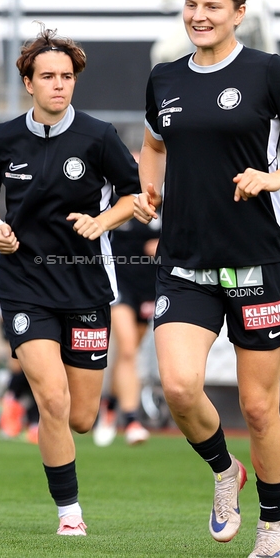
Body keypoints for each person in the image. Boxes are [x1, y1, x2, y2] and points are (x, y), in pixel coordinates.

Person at [134, 0, 280, 558]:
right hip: (185, 260)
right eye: (191, 4)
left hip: (255, 261)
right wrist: (148, 192)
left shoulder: (267, 71)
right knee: (177, 385)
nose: (199, 15)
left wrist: (273, 179)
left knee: (257, 406)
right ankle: (226, 471)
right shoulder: (164, 79)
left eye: (212, 6)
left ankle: (272, 524)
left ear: (239, 12)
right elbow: (152, 143)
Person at [0, 27, 140, 536]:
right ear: (28, 82)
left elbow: (135, 198)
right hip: (25, 284)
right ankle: (70, 515)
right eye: (47, 76)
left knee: (82, 416)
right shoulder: (1, 138)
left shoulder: (99, 136)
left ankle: (63, 443)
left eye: (66, 77)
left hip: (87, 286)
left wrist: (102, 221)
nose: (59, 85)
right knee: (52, 398)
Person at [93, 173, 159, 448]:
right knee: (129, 348)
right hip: (118, 282)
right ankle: (132, 420)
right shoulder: (116, 201)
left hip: (148, 286)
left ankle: (109, 404)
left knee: (127, 354)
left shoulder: (162, 203)